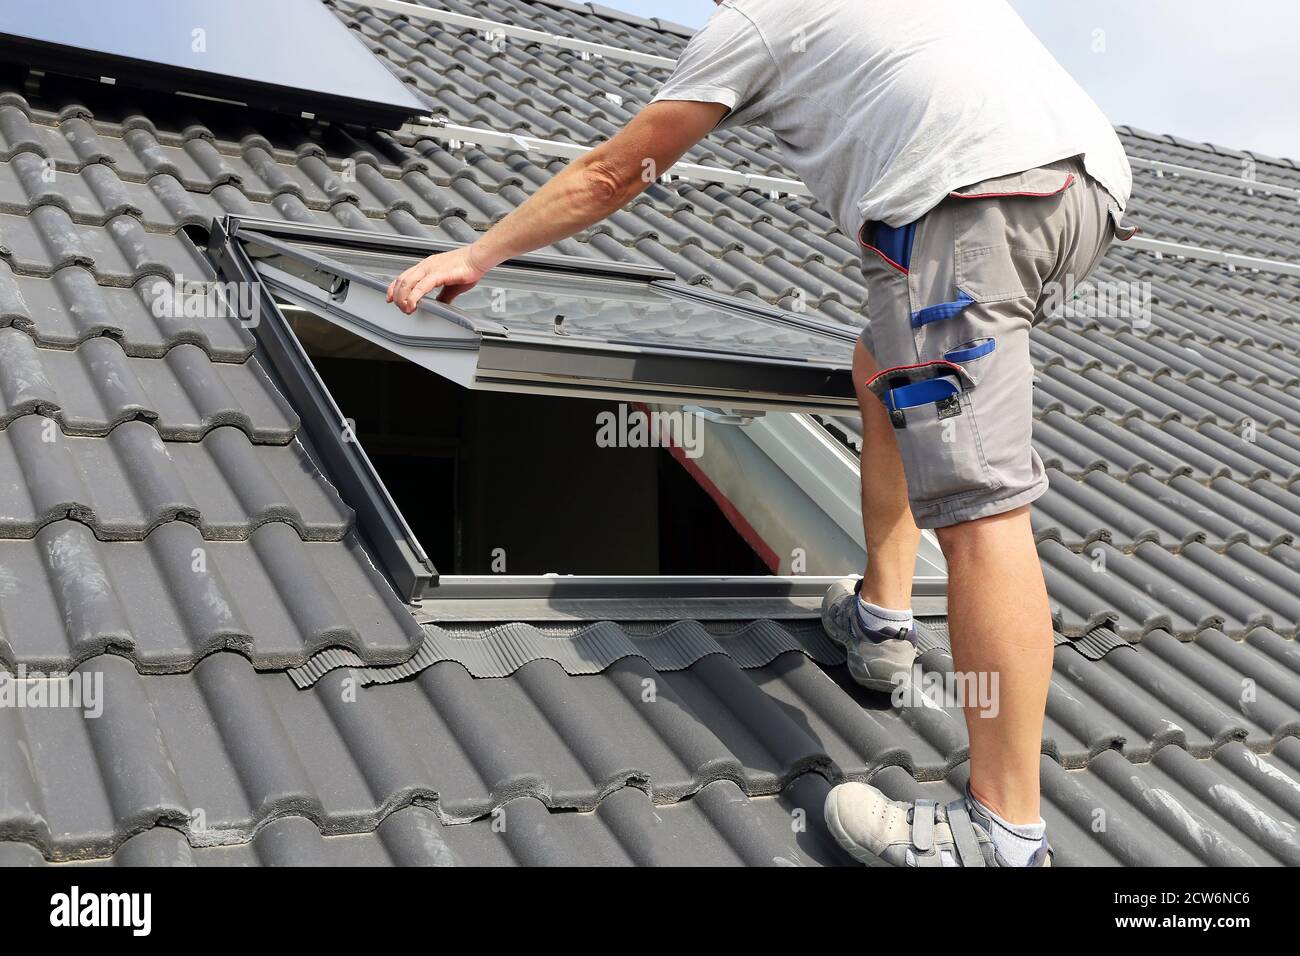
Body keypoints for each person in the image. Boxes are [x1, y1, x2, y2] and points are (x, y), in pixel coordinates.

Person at [387, 0, 1134, 868]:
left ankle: (1004, 834)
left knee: (980, 509)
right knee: (882, 361)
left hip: (972, 204)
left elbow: (616, 172)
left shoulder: (760, 18)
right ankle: (884, 622)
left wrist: (478, 254)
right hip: (1085, 193)